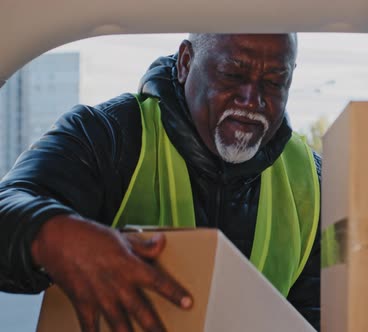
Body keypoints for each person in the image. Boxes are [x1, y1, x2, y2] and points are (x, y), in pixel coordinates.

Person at [0, 33, 321, 331]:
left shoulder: (313, 181)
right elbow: (8, 205)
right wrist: (53, 235)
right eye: (233, 75)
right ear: (185, 63)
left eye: (275, 82)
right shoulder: (106, 136)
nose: (252, 100)